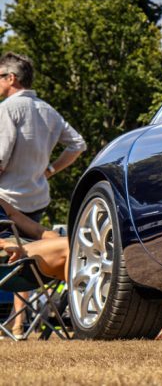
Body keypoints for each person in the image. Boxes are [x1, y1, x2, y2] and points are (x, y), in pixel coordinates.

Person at [0, 52, 85, 337]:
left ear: (11, 78)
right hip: (34, 198)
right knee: (63, 253)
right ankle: (21, 323)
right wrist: (48, 170)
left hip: (9, 201)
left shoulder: (7, 109)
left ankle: (22, 323)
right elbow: (77, 144)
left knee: (70, 247)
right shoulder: (47, 111)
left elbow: (1, 157)